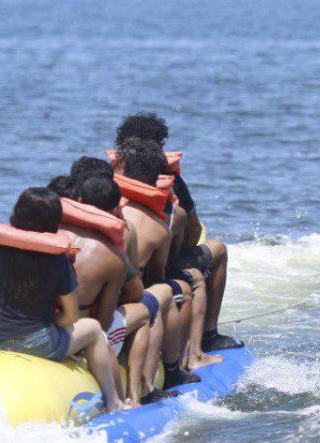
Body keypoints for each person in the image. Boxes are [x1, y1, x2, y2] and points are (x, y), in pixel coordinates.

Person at [0, 188, 124, 412]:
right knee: (93, 329)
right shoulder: (57, 258)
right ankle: (114, 402)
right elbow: (71, 315)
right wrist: (48, 327)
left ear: (16, 214)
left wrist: (3, 319)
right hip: (39, 345)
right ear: (55, 221)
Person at [114, 112, 240, 352]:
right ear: (159, 147)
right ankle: (207, 337)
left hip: (116, 273)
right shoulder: (171, 183)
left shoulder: (103, 177)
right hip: (156, 270)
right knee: (218, 250)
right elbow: (194, 231)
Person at [67, 174, 175, 403]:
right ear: (116, 209)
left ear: (78, 201)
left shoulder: (57, 235)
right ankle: (137, 394)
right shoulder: (112, 253)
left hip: (45, 328)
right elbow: (105, 321)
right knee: (146, 311)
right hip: (84, 336)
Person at [114, 138, 215, 384]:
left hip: (92, 305)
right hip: (125, 302)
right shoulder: (162, 224)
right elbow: (159, 275)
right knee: (176, 291)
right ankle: (172, 370)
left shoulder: (107, 202)